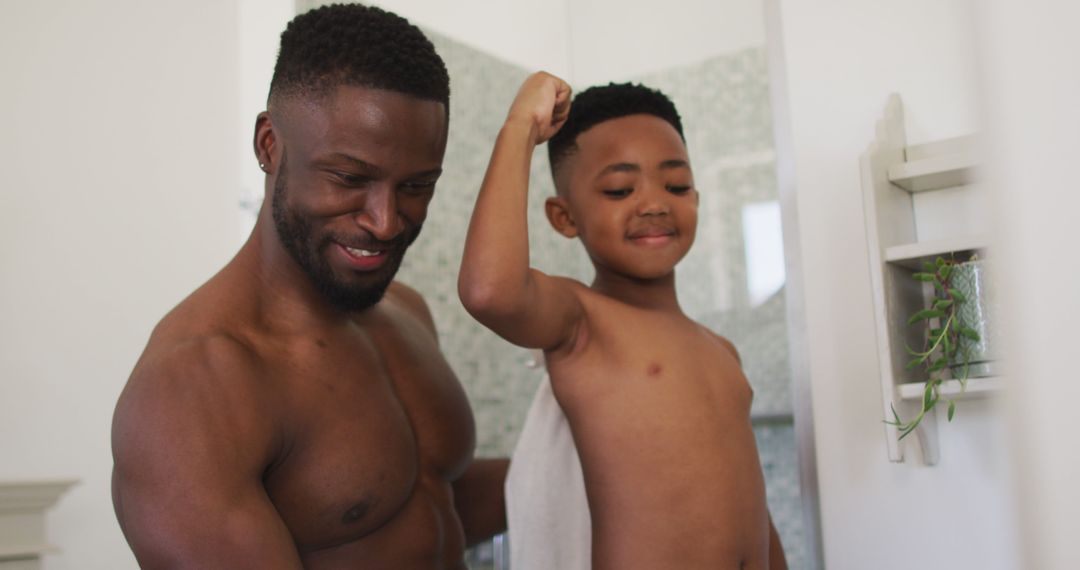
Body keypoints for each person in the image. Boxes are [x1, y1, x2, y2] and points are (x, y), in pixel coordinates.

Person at [111, 5, 507, 568]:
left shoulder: (406, 310)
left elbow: (423, 506)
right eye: (350, 178)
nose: (386, 221)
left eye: (417, 185)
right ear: (270, 144)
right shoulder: (193, 388)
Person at [459, 72, 788, 569]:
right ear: (564, 218)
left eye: (676, 184)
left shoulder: (721, 351)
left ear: (696, 197)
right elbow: (489, 292)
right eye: (618, 190)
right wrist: (520, 129)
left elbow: (751, 511)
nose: (654, 203)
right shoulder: (582, 324)